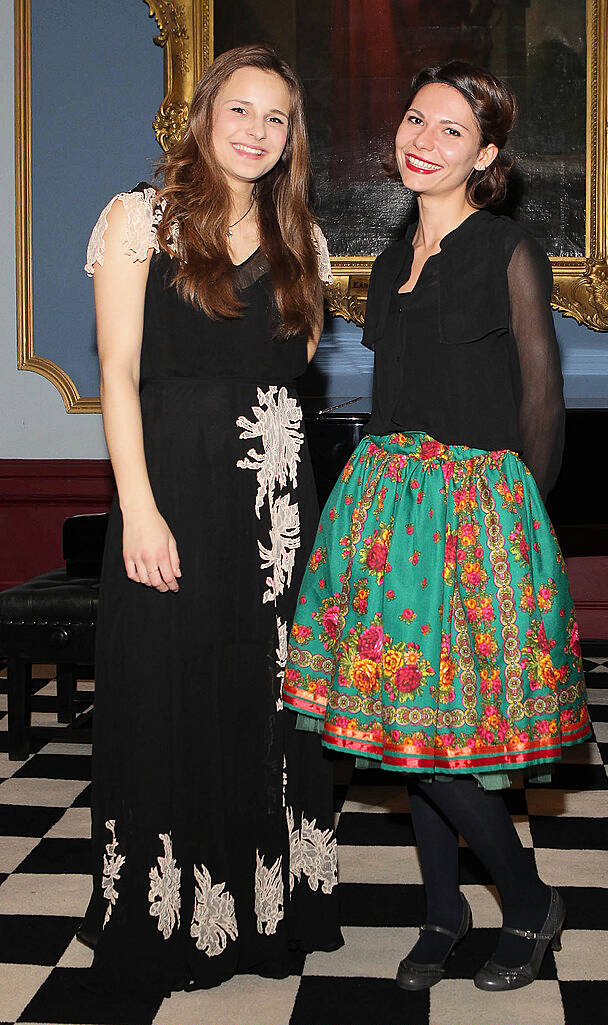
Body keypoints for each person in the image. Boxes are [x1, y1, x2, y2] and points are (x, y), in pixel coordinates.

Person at [283, 60, 590, 993]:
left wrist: (518, 527)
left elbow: (544, 404)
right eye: (416, 120)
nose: (424, 139)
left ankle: (530, 901)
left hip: (477, 517)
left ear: (485, 155)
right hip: (385, 511)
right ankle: (443, 913)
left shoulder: (507, 249)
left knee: (452, 737)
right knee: (401, 731)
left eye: (451, 130)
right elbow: (388, 401)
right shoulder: (383, 262)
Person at [80, 45, 342, 998]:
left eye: (276, 118)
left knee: (264, 704)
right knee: (166, 691)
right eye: (241, 109)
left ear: (291, 136)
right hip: (170, 493)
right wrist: (140, 509)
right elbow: (117, 376)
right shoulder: (137, 218)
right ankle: (163, 917)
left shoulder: (299, 237)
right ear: (204, 112)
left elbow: (289, 372)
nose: (257, 131)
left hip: (275, 511)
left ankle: (266, 911)